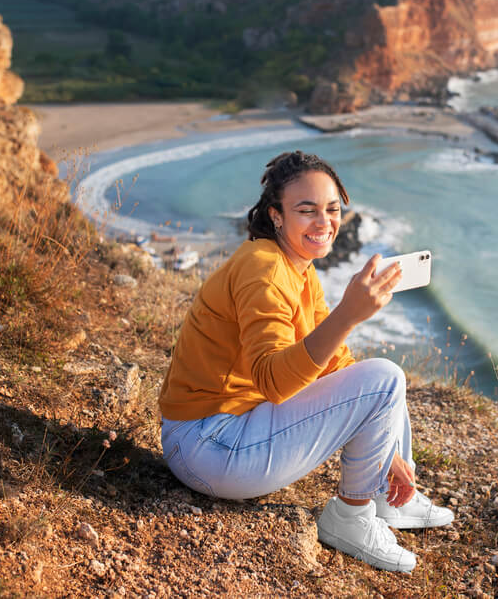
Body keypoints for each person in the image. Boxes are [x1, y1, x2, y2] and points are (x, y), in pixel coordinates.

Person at [158, 151, 453, 573]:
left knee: (379, 380)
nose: (325, 223)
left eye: (332, 210)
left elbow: (338, 366)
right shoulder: (263, 270)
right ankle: (349, 518)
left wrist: (387, 451)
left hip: (230, 429)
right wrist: (348, 314)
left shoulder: (297, 265)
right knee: (384, 378)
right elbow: (273, 382)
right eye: (306, 210)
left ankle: (391, 500)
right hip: (208, 446)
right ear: (276, 215)